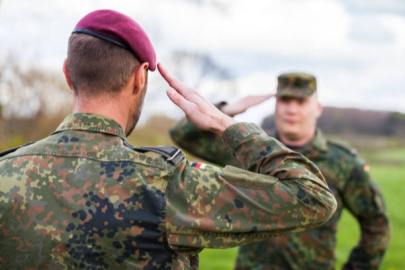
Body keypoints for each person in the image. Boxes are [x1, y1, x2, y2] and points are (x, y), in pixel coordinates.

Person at [0, 10, 337, 270]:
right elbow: (312, 197)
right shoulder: (164, 185)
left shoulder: (6, 174)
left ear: (67, 73)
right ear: (137, 79)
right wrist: (226, 124)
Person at [170, 72, 391, 270]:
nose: (291, 109)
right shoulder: (250, 149)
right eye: (285, 100)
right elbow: (182, 134)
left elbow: (377, 223)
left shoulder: (342, 162)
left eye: (301, 101)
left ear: (317, 108)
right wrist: (225, 112)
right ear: (275, 105)